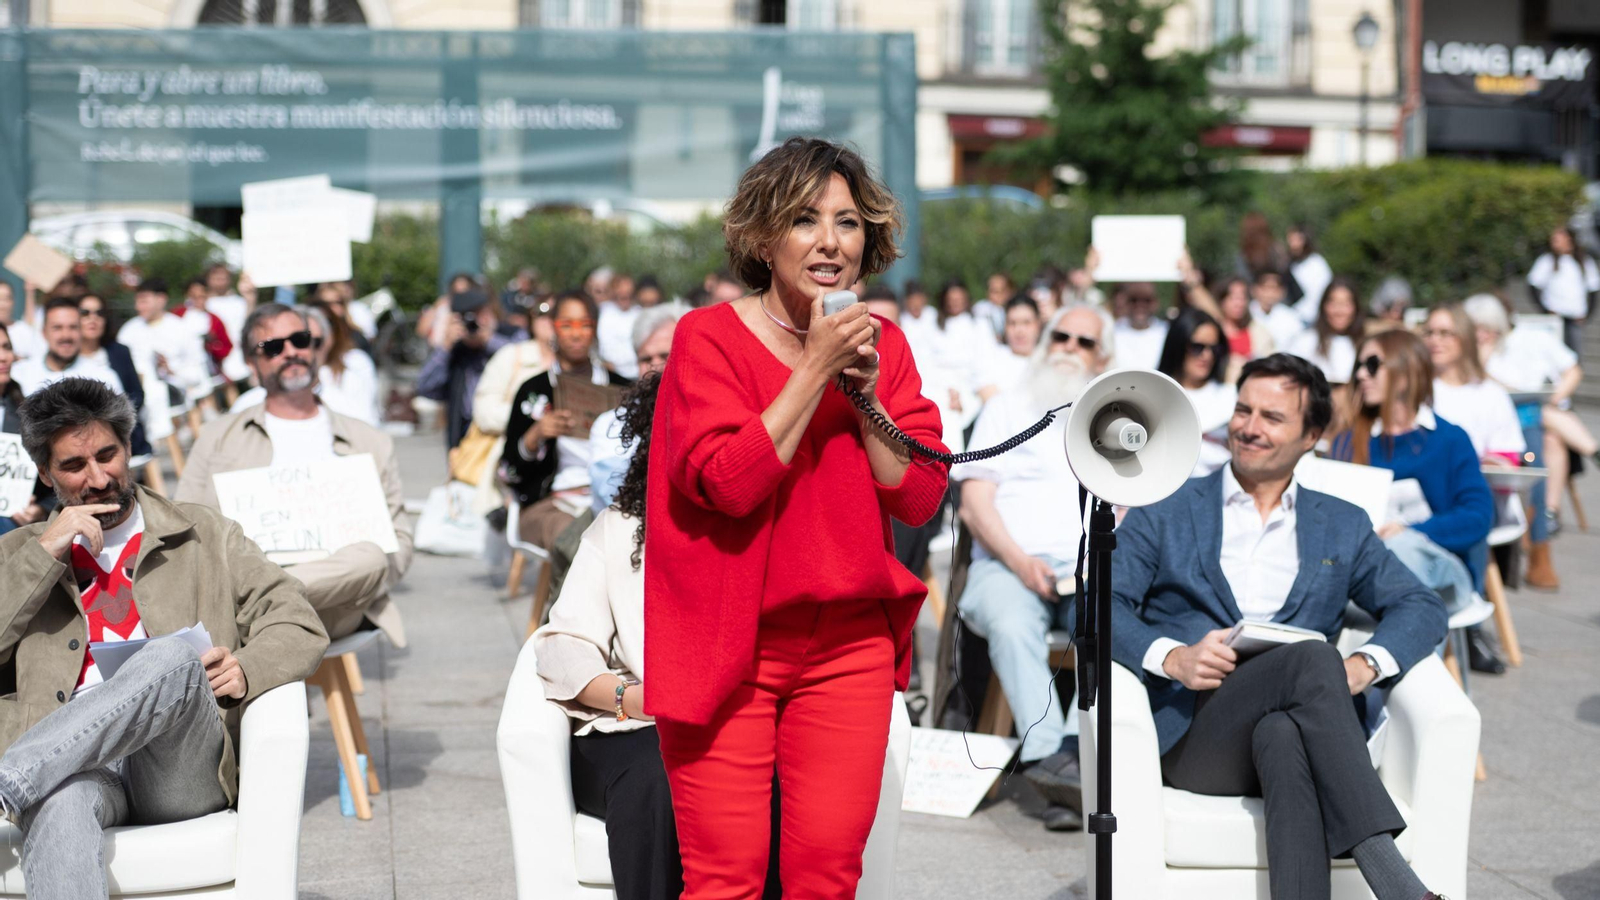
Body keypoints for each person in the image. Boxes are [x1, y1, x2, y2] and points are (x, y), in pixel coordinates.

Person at [646, 137, 946, 898]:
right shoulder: (704, 338)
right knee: (724, 882)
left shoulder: (884, 347)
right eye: (806, 220)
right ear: (760, 237)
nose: (830, 242)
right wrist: (813, 368)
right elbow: (728, 483)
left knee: (827, 880)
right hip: (728, 647)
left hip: (848, 648)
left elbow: (914, 496)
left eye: (847, 224)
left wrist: (867, 394)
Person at [1112, 353, 1449, 900]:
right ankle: (1396, 883)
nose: (1248, 427)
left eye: (1272, 417)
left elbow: (1421, 604)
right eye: (1243, 410)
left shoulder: (1340, 523)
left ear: (1312, 433)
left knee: (1284, 731)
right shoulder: (1166, 508)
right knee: (1314, 657)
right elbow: (1096, 604)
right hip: (1198, 734)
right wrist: (1172, 656)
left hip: (1298, 729)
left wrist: (1365, 666)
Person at [0, 377, 327, 898]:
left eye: (108, 455)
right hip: (74, 767)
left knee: (173, 655)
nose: (98, 477)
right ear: (45, 473)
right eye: (73, 466)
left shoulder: (205, 533)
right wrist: (43, 554)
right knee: (58, 802)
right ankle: (28, 777)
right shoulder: (19, 552)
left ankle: (11, 779)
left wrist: (248, 666)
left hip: (176, 766)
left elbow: (298, 619)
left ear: (129, 447)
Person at [953, 303, 1113, 832]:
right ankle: (1051, 762)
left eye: (1084, 341)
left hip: (1085, 572)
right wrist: (1020, 563)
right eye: (1060, 335)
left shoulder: (1116, 418)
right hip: (1006, 565)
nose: (1069, 347)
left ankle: (1071, 752)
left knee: (1113, 625)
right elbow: (975, 502)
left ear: (1103, 356)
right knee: (1012, 623)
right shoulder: (1008, 407)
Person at [177, 303, 412, 647]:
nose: (291, 352)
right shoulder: (217, 437)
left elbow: (400, 544)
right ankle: (264, 600)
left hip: (333, 601)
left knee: (372, 556)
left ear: (316, 347)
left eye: (301, 340)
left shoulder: (369, 442)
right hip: (244, 587)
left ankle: (264, 598)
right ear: (251, 363)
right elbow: (183, 524)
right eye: (273, 347)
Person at [1328, 330, 1499, 673]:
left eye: (1373, 364)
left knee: (1404, 551)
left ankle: (1413, 698)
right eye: (1359, 365)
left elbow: (1479, 515)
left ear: (1406, 371)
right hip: (1367, 577)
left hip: (1443, 575)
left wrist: (1411, 531)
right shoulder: (1348, 441)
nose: (1361, 373)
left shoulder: (1449, 440)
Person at [1465, 293, 1597, 584]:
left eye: (1486, 328)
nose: (1481, 335)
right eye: (1476, 329)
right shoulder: (1467, 355)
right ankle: (1539, 540)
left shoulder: (1519, 345)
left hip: (1523, 428)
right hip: (1490, 433)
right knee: (1540, 443)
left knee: (1534, 455)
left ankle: (1539, 545)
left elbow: (1570, 371)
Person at [501, 290, 632, 550]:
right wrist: (534, 436)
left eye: (584, 325)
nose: (575, 334)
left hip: (612, 502)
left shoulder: (621, 390)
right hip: (548, 505)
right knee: (577, 539)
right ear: (553, 327)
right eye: (566, 325)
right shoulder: (535, 391)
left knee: (628, 536)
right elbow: (509, 471)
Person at [590, 307, 678, 512]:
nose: (655, 367)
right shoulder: (610, 425)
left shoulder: (710, 415)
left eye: (665, 355)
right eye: (645, 359)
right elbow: (612, 493)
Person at [1421, 304, 1525, 463]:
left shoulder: (1491, 394)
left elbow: (1508, 456)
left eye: (1445, 333)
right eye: (1429, 333)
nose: (1435, 340)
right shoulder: (1414, 389)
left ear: (1465, 337)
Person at [416, 289, 513, 449]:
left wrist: (487, 340)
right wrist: (446, 346)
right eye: (468, 317)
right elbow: (424, 387)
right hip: (465, 438)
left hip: (502, 436)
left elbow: (519, 360)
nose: (474, 322)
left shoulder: (509, 335)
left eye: (479, 314)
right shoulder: (456, 353)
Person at [118, 278, 210, 444]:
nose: (139, 307)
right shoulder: (128, 331)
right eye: (137, 301)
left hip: (175, 389)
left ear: (161, 300)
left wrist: (171, 369)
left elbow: (196, 370)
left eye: (144, 301)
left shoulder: (180, 328)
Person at [1157, 307, 1234, 477]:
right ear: (1178, 344)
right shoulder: (1153, 394)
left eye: (1214, 349)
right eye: (1197, 347)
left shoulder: (1231, 397)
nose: (1207, 356)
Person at [11, 299, 125, 397]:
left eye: (73, 327)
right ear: (44, 333)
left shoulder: (104, 379)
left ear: (81, 331)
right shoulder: (19, 375)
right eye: (57, 328)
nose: (66, 335)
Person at [0, 324, 50, 536]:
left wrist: (40, 509)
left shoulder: (32, 414)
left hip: (13, 532)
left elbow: (59, 481)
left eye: (6, 347)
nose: (3, 357)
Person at [1527, 225, 1599, 359]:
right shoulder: (1547, 260)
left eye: (1557, 239)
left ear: (1569, 239)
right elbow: (1533, 285)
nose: (1553, 242)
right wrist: (1544, 310)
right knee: (1552, 355)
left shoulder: (1583, 261)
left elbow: (1593, 289)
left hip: (1575, 316)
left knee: (1574, 356)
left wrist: (1588, 314)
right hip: (1554, 316)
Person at [306, 300, 381, 426]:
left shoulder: (356, 362)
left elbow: (364, 419)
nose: (310, 348)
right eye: (302, 339)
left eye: (317, 341)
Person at [1287, 279, 1364, 385]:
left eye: (1346, 304)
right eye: (1334, 303)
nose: (1339, 311)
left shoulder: (1365, 344)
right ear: (1323, 306)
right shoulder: (1305, 342)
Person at [975, 295, 1043, 402]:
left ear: (1038, 324)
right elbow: (988, 396)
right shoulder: (990, 357)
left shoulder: (1050, 358)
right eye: (1012, 323)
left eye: (1026, 323)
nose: (1019, 330)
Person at [172, 278, 234, 385]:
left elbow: (226, 346)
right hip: (182, 367)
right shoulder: (178, 314)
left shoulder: (214, 320)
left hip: (208, 368)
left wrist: (212, 346)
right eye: (194, 297)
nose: (198, 301)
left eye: (201, 296)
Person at [204, 264, 252, 385]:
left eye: (223, 278)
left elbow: (249, 323)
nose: (220, 281)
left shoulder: (239, 302)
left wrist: (251, 298)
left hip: (240, 356)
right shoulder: (203, 304)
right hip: (215, 359)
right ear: (209, 280)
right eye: (216, 278)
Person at [1110, 282, 1169, 371]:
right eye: (1134, 300)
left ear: (1156, 302)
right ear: (1125, 302)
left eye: (1147, 300)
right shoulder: (1112, 330)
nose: (1140, 305)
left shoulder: (1168, 331)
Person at [598, 273, 643, 379]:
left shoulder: (640, 313)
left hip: (636, 373)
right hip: (610, 372)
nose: (624, 293)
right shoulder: (603, 311)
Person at [1287, 225, 1334, 324]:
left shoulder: (1316, 263)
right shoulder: (1293, 264)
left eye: (1296, 239)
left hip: (1312, 318)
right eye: (1290, 239)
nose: (1293, 244)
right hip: (1295, 317)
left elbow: (1321, 292)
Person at [1251, 270, 1305, 352]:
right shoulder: (1245, 313)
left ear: (1282, 292)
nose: (1269, 293)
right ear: (1255, 289)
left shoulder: (1291, 318)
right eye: (1265, 287)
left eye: (1274, 288)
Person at [0, 281, 45, 361]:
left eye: (6, 299)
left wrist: (30, 292)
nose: (2, 305)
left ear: (13, 302)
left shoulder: (24, 329)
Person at [974, 272, 1011, 339]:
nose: (998, 295)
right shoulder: (981, 309)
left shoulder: (1014, 309)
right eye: (994, 291)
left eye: (1001, 291)